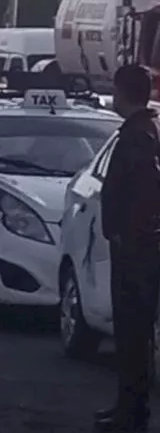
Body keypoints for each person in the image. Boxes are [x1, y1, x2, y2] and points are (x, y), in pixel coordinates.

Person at [95, 64, 160, 432]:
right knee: (129, 333)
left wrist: (126, 234)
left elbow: (143, 191)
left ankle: (132, 412)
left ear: (124, 92)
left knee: (133, 332)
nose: (113, 98)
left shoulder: (138, 138)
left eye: (116, 90)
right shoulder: (142, 133)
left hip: (136, 254)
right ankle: (126, 405)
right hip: (138, 249)